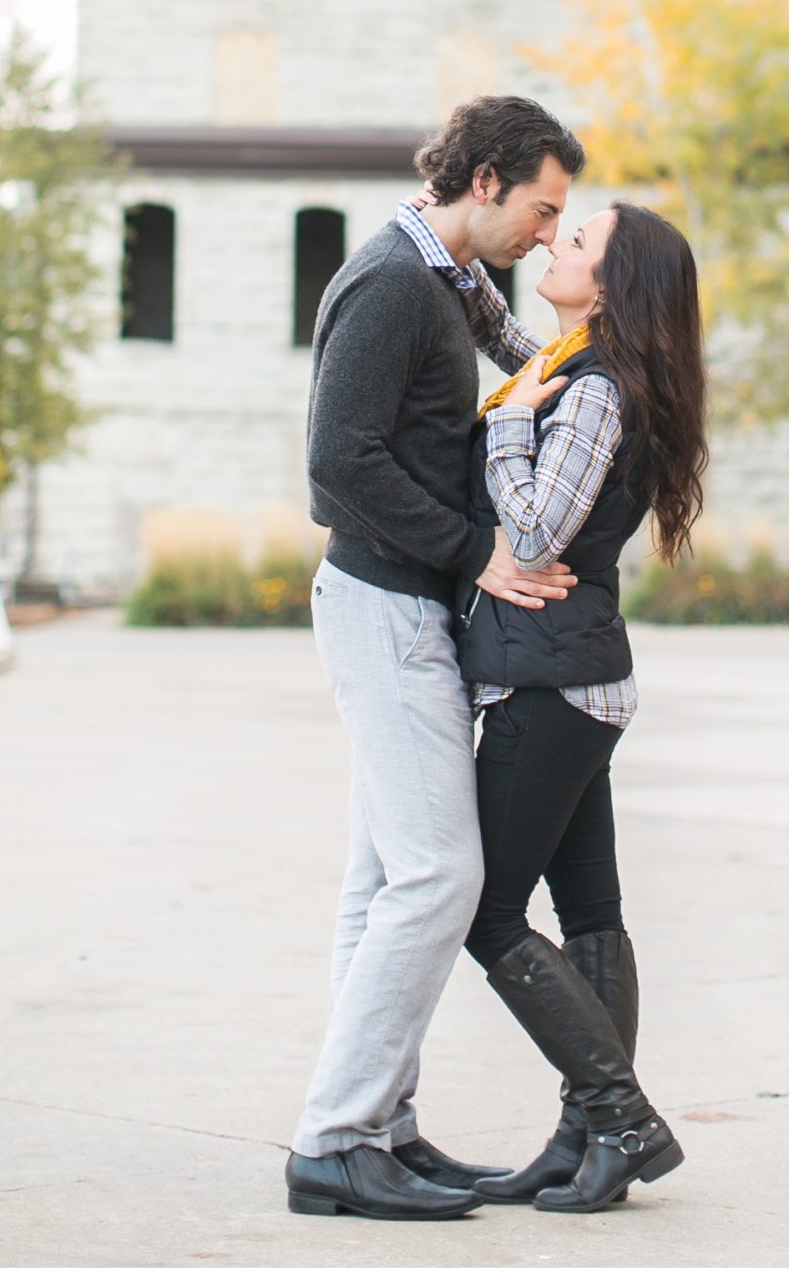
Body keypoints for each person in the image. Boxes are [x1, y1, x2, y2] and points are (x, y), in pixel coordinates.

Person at [284, 95, 589, 1224]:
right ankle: (332, 1139)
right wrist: (479, 553)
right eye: (542, 209)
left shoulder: (444, 280)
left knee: (383, 883)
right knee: (439, 876)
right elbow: (336, 465)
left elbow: (492, 374)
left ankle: (380, 1126)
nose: (547, 234)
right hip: (384, 606)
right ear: (487, 180)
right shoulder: (390, 283)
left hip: (404, 606)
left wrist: (548, 370)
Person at [451, 198, 709, 1215]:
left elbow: (533, 527)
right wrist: (469, 282)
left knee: (485, 913)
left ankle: (619, 1117)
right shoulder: (590, 366)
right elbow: (527, 353)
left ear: (608, 283)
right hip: (577, 679)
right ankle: (582, 1137)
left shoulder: (589, 391)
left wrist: (507, 424)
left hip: (548, 686)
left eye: (576, 237)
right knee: (590, 913)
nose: (554, 239)